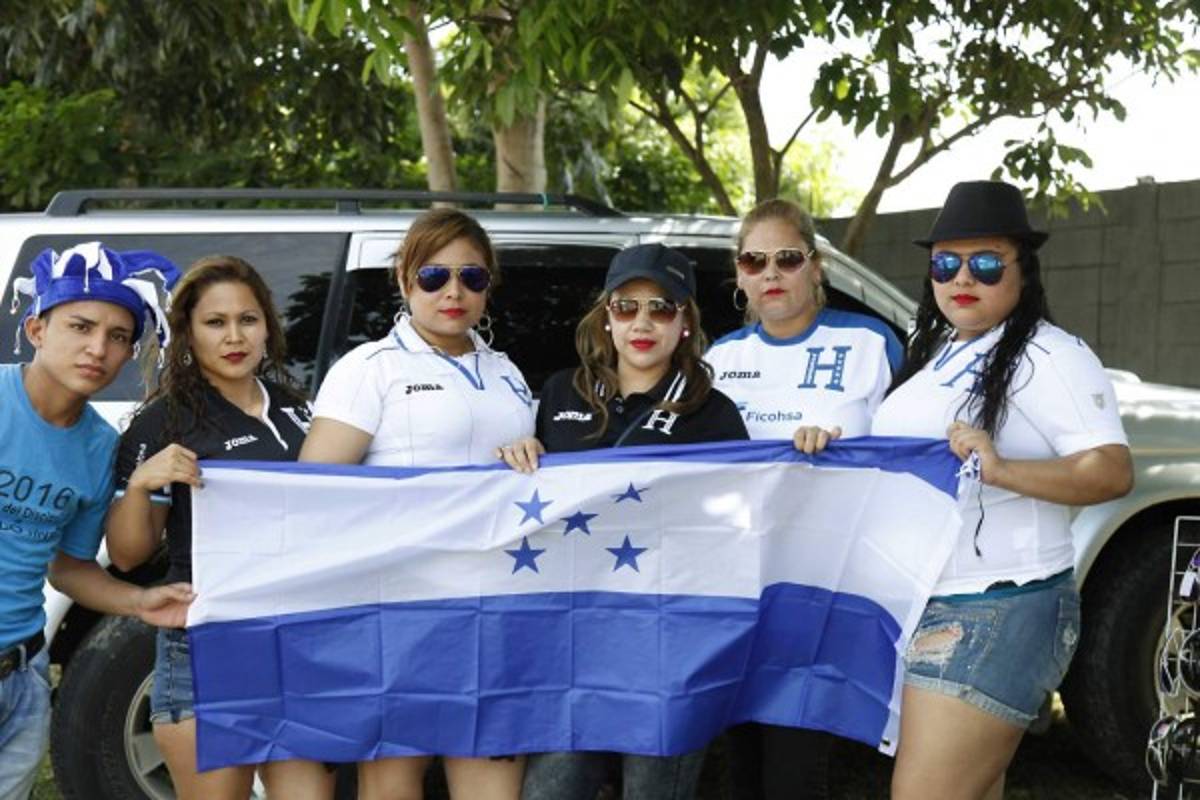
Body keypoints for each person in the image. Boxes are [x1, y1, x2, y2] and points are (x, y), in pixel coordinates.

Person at [871, 181, 1133, 800]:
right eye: (946, 263)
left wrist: (1000, 467)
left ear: (1022, 270)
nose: (964, 278)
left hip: (995, 606)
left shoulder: (1047, 354)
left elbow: (1111, 470)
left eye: (986, 264)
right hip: (928, 602)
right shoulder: (934, 349)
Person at [498, 243, 748, 800]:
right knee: (551, 791)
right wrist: (520, 454)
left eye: (661, 308)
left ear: (685, 323)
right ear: (605, 316)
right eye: (626, 306)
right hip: (571, 642)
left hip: (669, 644)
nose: (642, 323)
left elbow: (736, 530)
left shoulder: (715, 412)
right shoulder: (562, 391)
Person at [299, 208, 534, 800]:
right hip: (397, 617)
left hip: (497, 614)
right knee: (393, 788)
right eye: (434, 276)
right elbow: (312, 496)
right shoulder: (369, 370)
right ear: (405, 279)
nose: (454, 291)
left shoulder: (507, 372)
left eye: (472, 278)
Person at [105, 255, 331, 800]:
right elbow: (129, 555)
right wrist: (141, 485)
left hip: (300, 642)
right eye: (215, 322)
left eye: (248, 320)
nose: (234, 336)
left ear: (267, 327)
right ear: (188, 332)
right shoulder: (161, 420)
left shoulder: (299, 409)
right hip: (205, 646)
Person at [705, 198, 902, 799]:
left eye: (787, 259)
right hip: (735, 589)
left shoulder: (873, 343)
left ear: (817, 267)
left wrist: (843, 453)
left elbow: (913, 441)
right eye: (754, 260)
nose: (771, 273)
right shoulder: (717, 358)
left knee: (795, 769)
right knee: (739, 769)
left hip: (825, 588)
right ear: (738, 274)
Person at [0, 243, 194, 800]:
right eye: (81, 326)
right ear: (36, 329)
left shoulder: (99, 447)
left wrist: (139, 603)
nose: (97, 349)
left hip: (22, 675)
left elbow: (67, 567)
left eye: (117, 337)